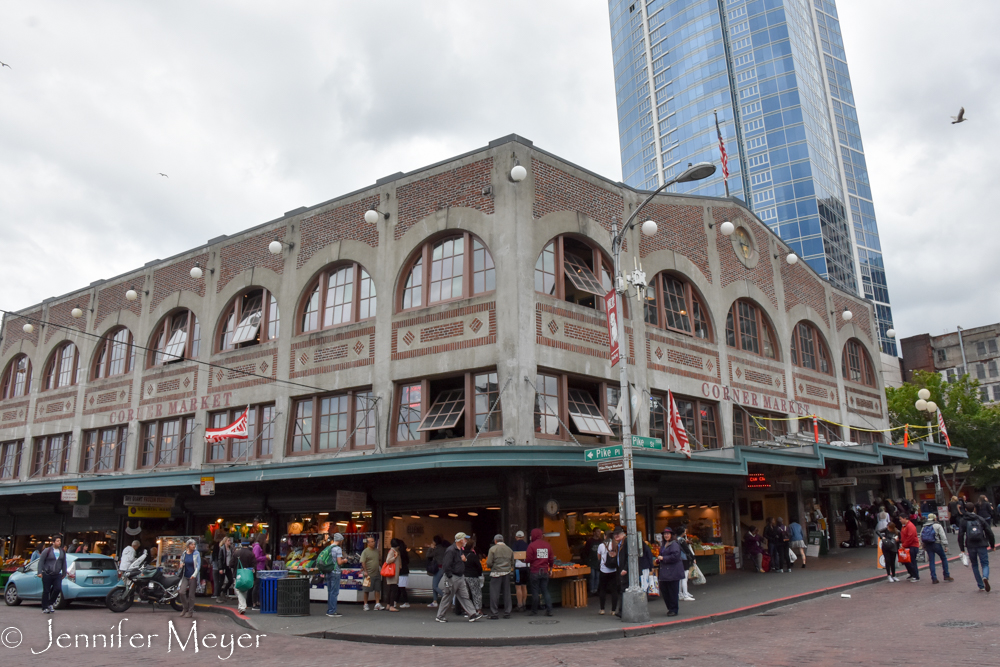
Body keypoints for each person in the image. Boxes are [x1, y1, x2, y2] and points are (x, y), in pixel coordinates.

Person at [435, 532, 481, 622]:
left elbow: (452, 564)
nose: (466, 541)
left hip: (459, 576)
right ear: (460, 540)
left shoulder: (457, 550)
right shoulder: (451, 550)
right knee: (448, 596)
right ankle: (440, 616)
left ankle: (472, 614)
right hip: (454, 576)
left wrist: (463, 561)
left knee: (464, 596)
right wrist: (450, 576)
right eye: (465, 539)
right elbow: (446, 565)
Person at [959, 501, 994, 592]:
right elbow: (989, 532)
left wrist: (962, 549)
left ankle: (981, 585)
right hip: (981, 543)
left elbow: (960, 535)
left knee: (974, 565)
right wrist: (992, 544)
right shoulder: (980, 518)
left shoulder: (963, 520)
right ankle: (985, 576)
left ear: (965, 509)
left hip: (970, 545)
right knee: (985, 563)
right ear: (974, 508)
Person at [526, 527, 555, 617]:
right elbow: (551, 559)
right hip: (544, 571)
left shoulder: (531, 545)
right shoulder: (547, 545)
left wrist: (524, 561)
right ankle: (549, 610)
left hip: (535, 571)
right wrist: (550, 569)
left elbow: (529, 559)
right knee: (545, 591)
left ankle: (534, 611)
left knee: (535, 591)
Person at [655, 527, 684, 617]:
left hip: (673, 572)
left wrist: (664, 558)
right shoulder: (664, 544)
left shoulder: (674, 544)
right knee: (665, 590)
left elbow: (676, 556)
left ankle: (673, 609)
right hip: (665, 572)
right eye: (665, 534)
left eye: (668, 534)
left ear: (671, 535)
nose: (666, 535)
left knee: (672, 591)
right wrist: (659, 559)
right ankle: (670, 608)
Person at [37, 535, 67, 614]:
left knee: (57, 588)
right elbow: (41, 561)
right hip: (47, 573)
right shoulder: (47, 550)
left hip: (57, 574)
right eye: (57, 541)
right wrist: (39, 572)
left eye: (60, 541)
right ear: (53, 542)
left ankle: (51, 603)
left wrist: (64, 572)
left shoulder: (62, 551)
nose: (59, 542)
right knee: (46, 591)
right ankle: (45, 607)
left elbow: (64, 562)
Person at [486, 533, 513, 619]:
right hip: (506, 572)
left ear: (495, 541)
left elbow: (489, 563)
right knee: (507, 593)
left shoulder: (493, 549)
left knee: (494, 593)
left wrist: (492, 566)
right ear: (503, 540)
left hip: (496, 573)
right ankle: (507, 612)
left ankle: (494, 613)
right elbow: (512, 563)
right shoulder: (509, 550)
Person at [920, 513, 953, 584]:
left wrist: (923, 546)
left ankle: (934, 578)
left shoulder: (924, 526)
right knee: (943, 558)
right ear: (935, 518)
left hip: (928, 545)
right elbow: (943, 536)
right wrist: (946, 545)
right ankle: (946, 575)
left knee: (931, 561)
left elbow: (921, 537)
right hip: (936, 544)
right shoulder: (937, 525)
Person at [323, 533, 346, 617]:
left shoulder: (329, 547)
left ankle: (329, 609)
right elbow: (339, 562)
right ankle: (332, 611)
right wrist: (344, 560)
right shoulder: (338, 549)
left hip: (328, 571)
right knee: (334, 592)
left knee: (330, 591)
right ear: (340, 540)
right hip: (335, 572)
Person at [230, 539, 256, 613]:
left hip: (238, 574)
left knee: (238, 589)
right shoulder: (251, 554)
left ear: (241, 544)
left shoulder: (236, 553)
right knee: (244, 591)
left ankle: (242, 607)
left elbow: (231, 564)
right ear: (248, 545)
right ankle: (241, 606)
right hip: (247, 575)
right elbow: (254, 565)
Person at [596, 530, 619, 615]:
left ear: (605, 536)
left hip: (603, 570)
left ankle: (602, 609)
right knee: (614, 591)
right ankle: (613, 610)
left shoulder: (601, 546)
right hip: (613, 570)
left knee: (602, 589)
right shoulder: (616, 545)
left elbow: (598, 557)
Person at [178, 538, 201, 618]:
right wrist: (181, 565)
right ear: (188, 545)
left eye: (194, 544)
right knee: (181, 592)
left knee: (191, 595)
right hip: (185, 575)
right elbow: (181, 561)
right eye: (192, 544)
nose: (193, 546)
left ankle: (190, 611)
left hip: (192, 576)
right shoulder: (184, 553)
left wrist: (194, 575)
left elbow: (198, 566)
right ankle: (185, 608)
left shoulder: (196, 553)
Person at [359, 535, 383, 611]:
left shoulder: (376, 551)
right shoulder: (365, 551)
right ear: (368, 543)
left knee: (377, 589)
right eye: (371, 542)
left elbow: (379, 560)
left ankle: (377, 604)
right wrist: (365, 571)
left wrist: (381, 568)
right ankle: (365, 604)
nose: (373, 543)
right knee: (366, 590)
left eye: (374, 541)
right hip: (368, 574)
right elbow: (363, 562)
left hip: (377, 573)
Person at [463, 536, 484, 615]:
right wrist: (479, 574)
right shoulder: (473, 556)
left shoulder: (461, 555)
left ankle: (466, 609)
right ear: (472, 547)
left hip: (463, 576)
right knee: (476, 593)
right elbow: (479, 567)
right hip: (473, 576)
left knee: (466, 594)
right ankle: (478, 609)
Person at [426, 535, 447, 608]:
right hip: (442, 568)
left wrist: (430, 548)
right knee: (434, 585)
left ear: (435, 542)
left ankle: (445, 597)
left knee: (434, 586)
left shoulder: (437, 549)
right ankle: (434, 601)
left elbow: (428, 555)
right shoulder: (443, 548)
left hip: (438, 568)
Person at [676, 526, 695, 601]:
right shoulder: (682, 540)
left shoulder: (675, 540)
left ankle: (680, 594)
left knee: (680, 578)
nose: (685, 532)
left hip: (678, 559)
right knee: (684, 577)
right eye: (684, 531)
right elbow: (687, 550)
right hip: (684, 559)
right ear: (682, 532)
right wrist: (693, 557)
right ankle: (685, 594)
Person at [899, 514, 920, 581]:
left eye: (901, 519)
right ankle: (911, 574)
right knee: (906, 561)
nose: (900, 520)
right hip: (907, 545)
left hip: (912, 546)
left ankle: (916, 576)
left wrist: (904, 545)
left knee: (912, 561)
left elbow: (910, 537)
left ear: (905, 518)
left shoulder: (910, 526)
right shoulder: (904, 526)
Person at [512, 530, 529, 612]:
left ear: (516, 537)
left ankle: (520, 605)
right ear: (523, 537)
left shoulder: (515, 545)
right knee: (524, 586)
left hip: (518, 568)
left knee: (518, 587)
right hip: (525, 567)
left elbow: (514, 555)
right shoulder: (527, 545)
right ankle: (524, 603)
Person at [583, 528, 604, 595]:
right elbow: (585, 551)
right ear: (594, 533)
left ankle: (596, 590)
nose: (599, 533)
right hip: (591, 561)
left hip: (598, 561)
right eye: (598, 531)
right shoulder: (590, 541)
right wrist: (587, 560)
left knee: (597, 576)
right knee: (592, 576)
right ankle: (592, 590)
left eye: (599, 532)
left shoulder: (601, 541)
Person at [213, 536, 233, 603]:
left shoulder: (230, 549)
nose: (229, 542)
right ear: (225, 541)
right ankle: (218, 596)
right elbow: (220, 559)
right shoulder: (222, 549)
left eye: (229, 540)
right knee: (221, 582)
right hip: (223, 566)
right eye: (228, 540)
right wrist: (220, 568)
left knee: (231, 580)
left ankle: (223, 591)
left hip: (228, 567)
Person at [251, 533, 268, 611]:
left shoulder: (257, 546)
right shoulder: (257, 547)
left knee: (258, 586)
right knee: (256, 586)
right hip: (258, 568)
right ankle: (254, 603)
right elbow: (256, 557)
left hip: (260, 568)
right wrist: (265, 557)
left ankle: (257, 602)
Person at [384, 539, 401, 612]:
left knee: (390, 589)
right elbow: (388, 560)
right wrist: (395, 557)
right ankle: (391, 605)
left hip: (392, 573)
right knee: (393, 589)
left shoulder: (393, 551)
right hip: (393, 573)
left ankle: (388, 604)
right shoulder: (393, 551)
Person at [396, 538, 411, 608]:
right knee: (400, 587)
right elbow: (408, 561)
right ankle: (395, 601)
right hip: (405, 570)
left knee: (401, 587)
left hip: (401, 571)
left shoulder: (399, 553)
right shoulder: (405, 552)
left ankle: (406, 601)